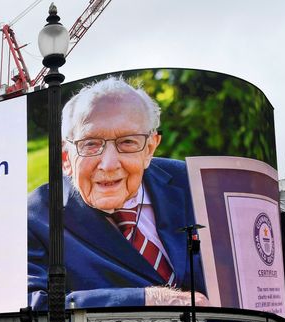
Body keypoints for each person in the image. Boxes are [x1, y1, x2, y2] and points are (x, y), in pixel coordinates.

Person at [28, 77, 208, 309]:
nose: (109, 164)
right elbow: (32, 306)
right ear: (66, 159)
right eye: (91, 144)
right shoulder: (34, 218)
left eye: (128, 142)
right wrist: (147, 300)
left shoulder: (194, 182)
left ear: (150, 149)